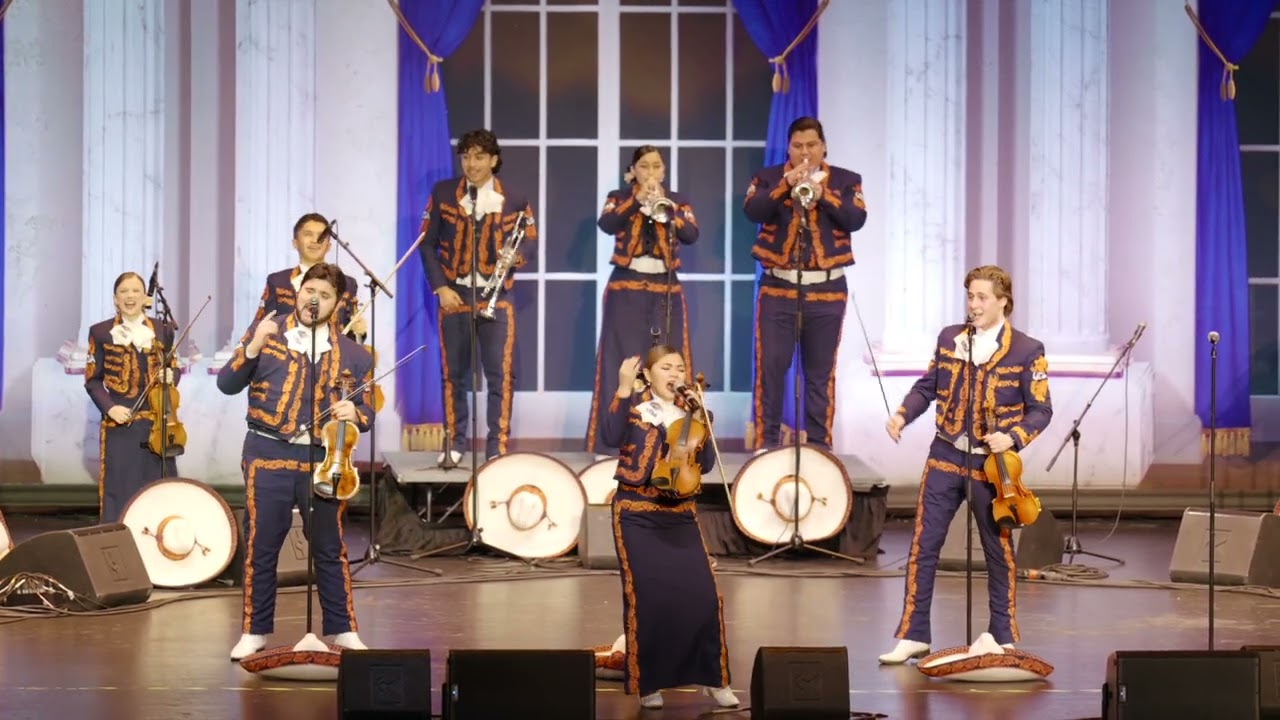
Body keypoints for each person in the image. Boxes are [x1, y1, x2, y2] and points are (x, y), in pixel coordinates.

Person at [877, 265, 1053, 664]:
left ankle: (1003, 635)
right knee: (923, 546)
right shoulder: (950, 338)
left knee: (998, 550)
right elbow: (928, 386)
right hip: (945, 454)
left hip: (991, 467)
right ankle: (913, 634)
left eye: (982, 298)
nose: (973, 305)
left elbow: (1041, 410)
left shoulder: (1027, 349)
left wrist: (1013, 437)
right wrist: (903, 414)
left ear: (1003, 301)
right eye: (970, 296)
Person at [218, 263, 373, 660]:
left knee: (329, 547)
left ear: (337, 304)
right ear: (299, 292)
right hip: (267, 452)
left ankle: (343, 629)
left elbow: (368, 410)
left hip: (323, 459)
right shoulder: (267, 333)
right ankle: (254, 630)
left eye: (325, 294)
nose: (314, 299)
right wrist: (253, 346)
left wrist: (356, 413)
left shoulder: (355, 355)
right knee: (262, 545)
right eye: (309, 290)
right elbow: (227, 383)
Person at [599, 345, 737, 711]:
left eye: (679, 367)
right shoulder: (635, 411)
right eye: (666, 367)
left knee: (703, 596)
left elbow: (706, 464)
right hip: (636, 513)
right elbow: (608, 435)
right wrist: (623, 387)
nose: (675, 373)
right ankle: (650, 682)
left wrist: (701, 420)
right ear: (648, 375)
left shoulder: (696, 414)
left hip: (680, 515)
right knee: (649, 600)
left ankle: (714, 678)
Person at [743, 116, 867, 452]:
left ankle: (819, 448)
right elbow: (753, 210)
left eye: (811, 145)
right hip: (778, 288)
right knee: (770, 370)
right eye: (798, 146)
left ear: (823, 146)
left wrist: (823, 193)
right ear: (788, 148)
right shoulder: (767, 178)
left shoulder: (847, 180)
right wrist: (786, 184)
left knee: (819, 375)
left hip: (827, 290)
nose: (805, 152)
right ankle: (766, 447)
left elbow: (856, 218)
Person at [418, 128, 536, 464]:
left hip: (497, 297)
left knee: (500, 377)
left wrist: (517, 257)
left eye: (479, 157)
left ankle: (496, 449)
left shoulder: (515, 197)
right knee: (453, 375)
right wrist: (441, 287)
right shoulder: (443, 192)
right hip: (454, 295)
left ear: (493, 160)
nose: (471, 164)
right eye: (466, 156)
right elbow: (426, 244)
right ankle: (455, 444)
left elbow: (529, 239)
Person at [585, 146, 699, 458]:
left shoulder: (677, 200)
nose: (651, 172)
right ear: (633, 170)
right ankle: (611, 442)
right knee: (621, 361)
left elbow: (691, 234)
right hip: (626, 286)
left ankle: (671, 440)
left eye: (656, 166)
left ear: (664, 171)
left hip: (665, 286)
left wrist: (667, 208)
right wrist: (637, 200)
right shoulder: (619, 197)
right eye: (644, 166)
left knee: (669, 363)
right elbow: (607, 224)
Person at [85, 271, 180, 524]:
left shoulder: (162, 330)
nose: (130, 296)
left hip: (157, 424)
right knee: (120, 489)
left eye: (136, 291)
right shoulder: (101, 332)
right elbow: (93, 380)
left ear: (145, 298)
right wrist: (110, 408)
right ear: (115, 299)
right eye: (124, 291)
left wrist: (171, 376)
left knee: (159, 490)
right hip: (120, 424)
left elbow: (175, 368)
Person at [255, 212, 366, 340]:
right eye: (308, 234)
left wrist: (359, 333)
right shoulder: (278, 281)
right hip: (286, 351)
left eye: (321, 236)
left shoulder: (347, 284)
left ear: (329, 246)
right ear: (295, 243)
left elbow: (350, 335)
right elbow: (260, 326)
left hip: (333, 351)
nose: (315, 240)